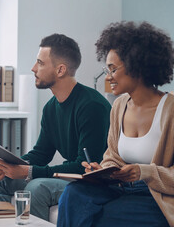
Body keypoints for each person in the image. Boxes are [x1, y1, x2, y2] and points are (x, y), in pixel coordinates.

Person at [57, 21, 174, 227]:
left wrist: (144, 172)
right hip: (121, 188)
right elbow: (113, 157)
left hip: (157, 196)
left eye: (112, 69)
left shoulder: (171, 109)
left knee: (103, 216)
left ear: (137, 66)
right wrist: (103, 170)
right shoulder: (119, 105)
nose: (108, 77)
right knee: (73, 193)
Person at [0, 33, 111, 221]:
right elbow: (41, 154)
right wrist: (8, 165)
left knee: (37, 188)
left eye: (40, 63)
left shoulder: (92, 106)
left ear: (60, 70)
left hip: (93, 183)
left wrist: (28, 172)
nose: (33, 68)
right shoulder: (51, 108)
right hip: (72, 178)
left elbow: (85, 166)